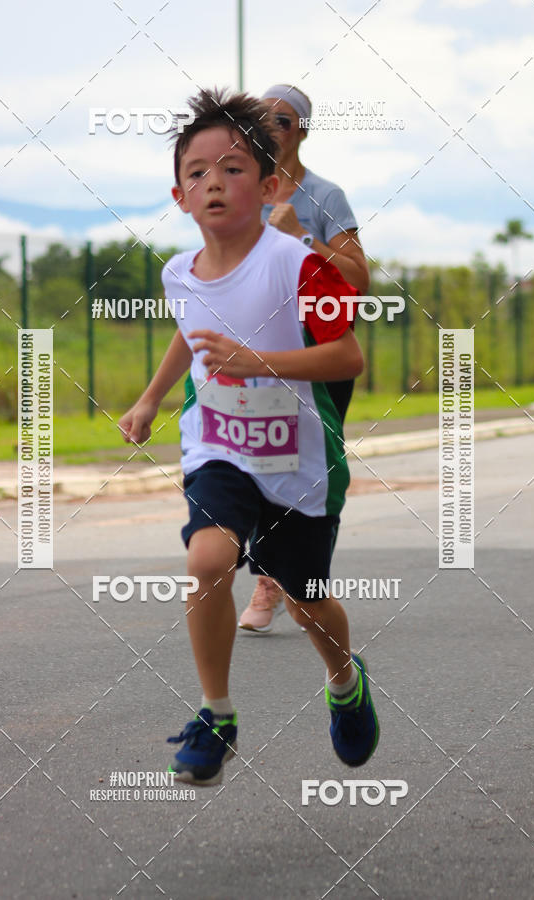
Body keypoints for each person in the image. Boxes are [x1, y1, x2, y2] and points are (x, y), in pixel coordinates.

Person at [119, 87, 379, 786]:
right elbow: (191, 333)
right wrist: (149, 399)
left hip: (297, 459)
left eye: (232, 169)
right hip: (220, 445)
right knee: (208, 560)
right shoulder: (178, 272)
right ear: (179, 196)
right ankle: (216, 714)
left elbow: (348, 357)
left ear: (267, 188)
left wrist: (259, 361)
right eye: (197, 172)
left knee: (305, 600)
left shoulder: (300, 263)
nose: (214, 182)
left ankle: (344, 682)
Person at [239, 84, 370, 633]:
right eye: (262, 118)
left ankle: (297, 580)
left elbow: (359, 279)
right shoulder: (242, 187)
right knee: (258, 459)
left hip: (318, 355)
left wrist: (304, 239)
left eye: (284, 119)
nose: (272, 126)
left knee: (309, 466)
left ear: (303, 130)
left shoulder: (325, 196)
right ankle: (271, 579)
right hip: (256, 349)